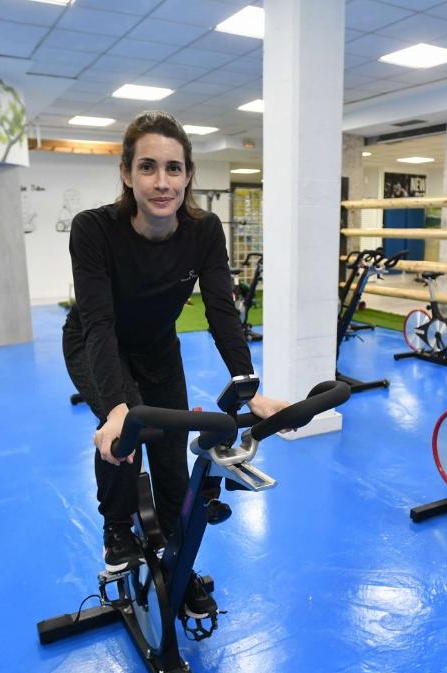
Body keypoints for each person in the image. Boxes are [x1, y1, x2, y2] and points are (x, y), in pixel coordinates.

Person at [63, 111, 287, 620]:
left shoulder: (203, 231)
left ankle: (175, 562)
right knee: (127, 434)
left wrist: (248, 387)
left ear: (188, 175)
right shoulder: (94, 229)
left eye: (173, 169)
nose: (162, 182)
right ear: (126, 174)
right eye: (147, 168)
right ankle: (116, 527)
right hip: (98, 343)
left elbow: (221, 310)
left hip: (159, 346)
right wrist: (118, 407)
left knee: (170, 456)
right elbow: (98, 324)